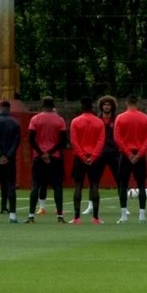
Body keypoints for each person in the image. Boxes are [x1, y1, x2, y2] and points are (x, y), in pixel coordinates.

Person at [26, 97, 67, 224]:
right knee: (57, 186)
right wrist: (49, 153)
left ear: (42, 106)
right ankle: (60, 216)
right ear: (53, 105)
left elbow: (31, 140)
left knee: (36, 185)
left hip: (38, 157)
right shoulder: (60, 120)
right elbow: (63, 141)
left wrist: (42, 153)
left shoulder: (35, 119)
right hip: (55, 157)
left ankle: (31, 215)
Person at [113, 94, 147, 223]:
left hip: (125, 155)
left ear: (126, 103)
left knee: (123, 185)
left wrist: (128, 154)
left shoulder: (120, 117)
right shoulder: (145, 118)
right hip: (139, 155)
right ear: (137, 103)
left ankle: (124, 216)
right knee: (141, 184)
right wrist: (139, 153)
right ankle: (142, 215)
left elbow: (117, 138)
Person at [81, 95, 121, 216]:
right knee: (94, 181)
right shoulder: (96, 119)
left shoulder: (117, 119)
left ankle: (123, 206)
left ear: (112, 106)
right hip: (99, 153)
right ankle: (90, 206)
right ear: (101, 106)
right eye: (105, 105)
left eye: (109, 105)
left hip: (114, 153)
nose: (107, 107)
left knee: (120, 180)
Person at [69, 96, 106, 225]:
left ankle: (77, 217)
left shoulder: (76, 121)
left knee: (78, 185)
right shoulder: (99, 122)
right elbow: (101, 141)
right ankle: (95, 217)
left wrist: (83, 157)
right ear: (92, 107)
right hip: (95, 158)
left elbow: (74, 141)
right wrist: (93, 156)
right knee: (94, 185)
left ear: (82, 106)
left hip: (80, 158)